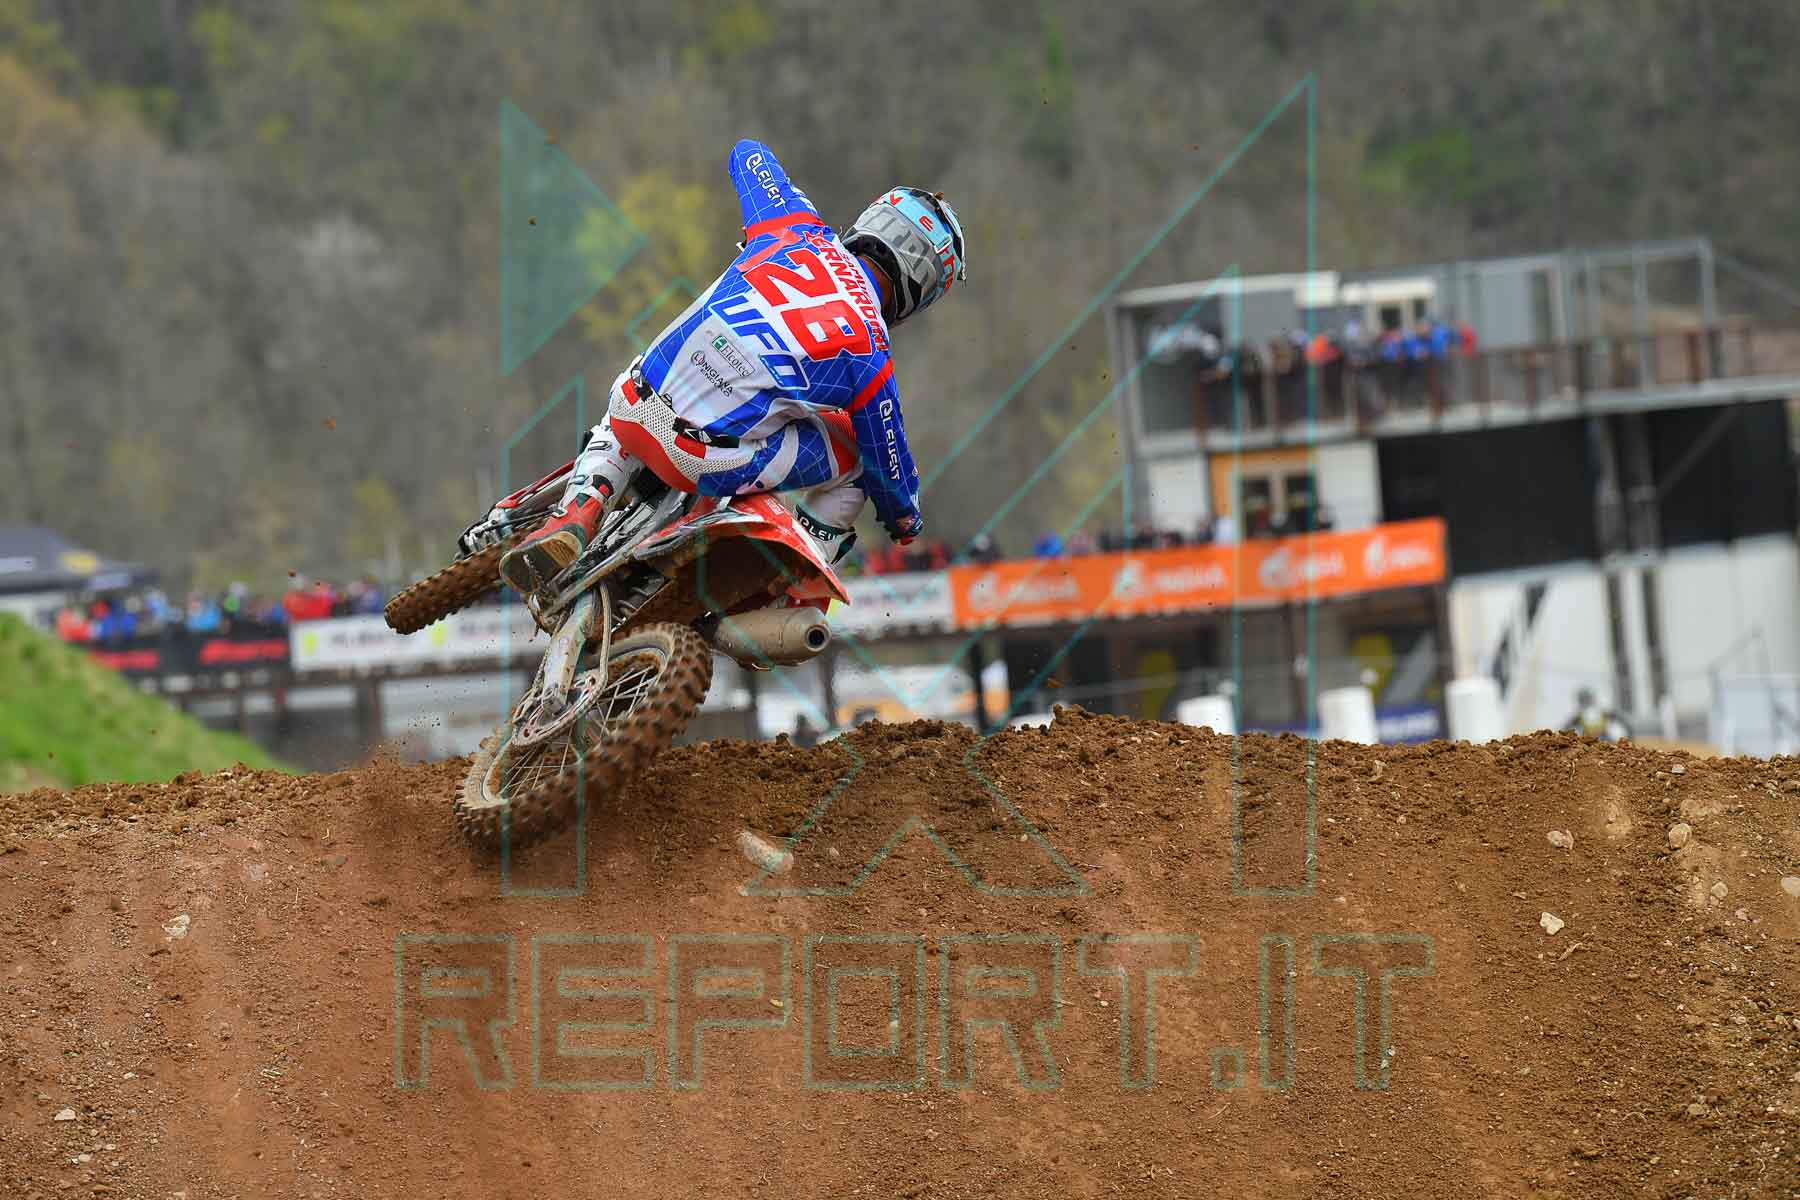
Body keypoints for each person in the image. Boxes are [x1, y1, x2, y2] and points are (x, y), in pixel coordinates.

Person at [499, 139, 966, 597]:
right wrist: (906, 520)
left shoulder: (793, 226)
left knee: (641, 381)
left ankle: (579, 509)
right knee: (858, 461)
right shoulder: (870, 352)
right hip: (703, 462)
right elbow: (889, 468)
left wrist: (777, 213)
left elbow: (748, 152)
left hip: (632, 408)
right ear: (921, 287)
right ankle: (790, 579)